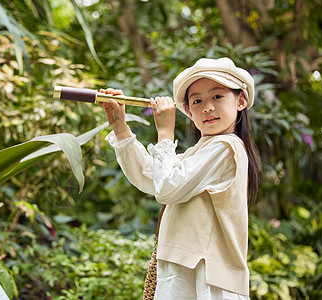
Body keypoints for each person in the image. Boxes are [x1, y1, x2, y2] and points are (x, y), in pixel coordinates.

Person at [100, 57, 260, 299]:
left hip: (208, 279)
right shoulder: (197, 153)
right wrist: (120, 127)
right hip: (185, 272)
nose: (207, 107)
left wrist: (165, 132)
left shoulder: (227, 148)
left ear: (240, 101)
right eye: (197, 100)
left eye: (217, 96)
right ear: (188, 111)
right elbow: (150, 178)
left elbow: (166, 188)